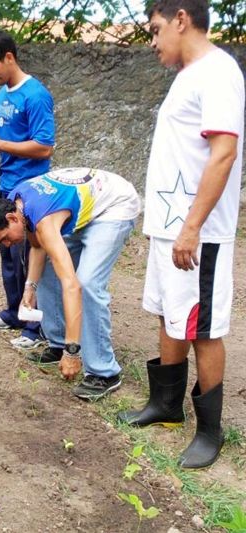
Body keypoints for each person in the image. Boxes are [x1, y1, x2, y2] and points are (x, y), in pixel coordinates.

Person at [117, 0, 244, 469]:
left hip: (200, 232)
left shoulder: (218, 73)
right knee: (171, 315)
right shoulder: (188, 75)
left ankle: (210, 431)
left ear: (182, 20)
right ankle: (166, 405)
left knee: (203, 329)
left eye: (155, 29)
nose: (152, 41)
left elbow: (224, 154)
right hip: (172, 229)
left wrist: (192, 227)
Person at [0, 168, 141, 400]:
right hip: (80, 206)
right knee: (49, 268)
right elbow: (38, 247)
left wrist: (73, 352)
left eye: (5, 238)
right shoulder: (16, 202)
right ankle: (58, 343)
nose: (9, 245)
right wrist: (29, 288)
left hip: (113, 205)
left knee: (88, 282)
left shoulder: (43, 221)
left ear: (12, 218)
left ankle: (104, 372)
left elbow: (72, 286)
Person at [0, 30, 56, 351]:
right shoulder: (2, 95)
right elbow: (9, 138)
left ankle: (35, 327)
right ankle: (14, 313)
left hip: (31, 189)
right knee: (7, 252)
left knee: (27, 256)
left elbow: (44, 147)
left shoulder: (36, 95)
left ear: (9, 57)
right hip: (7, 184)